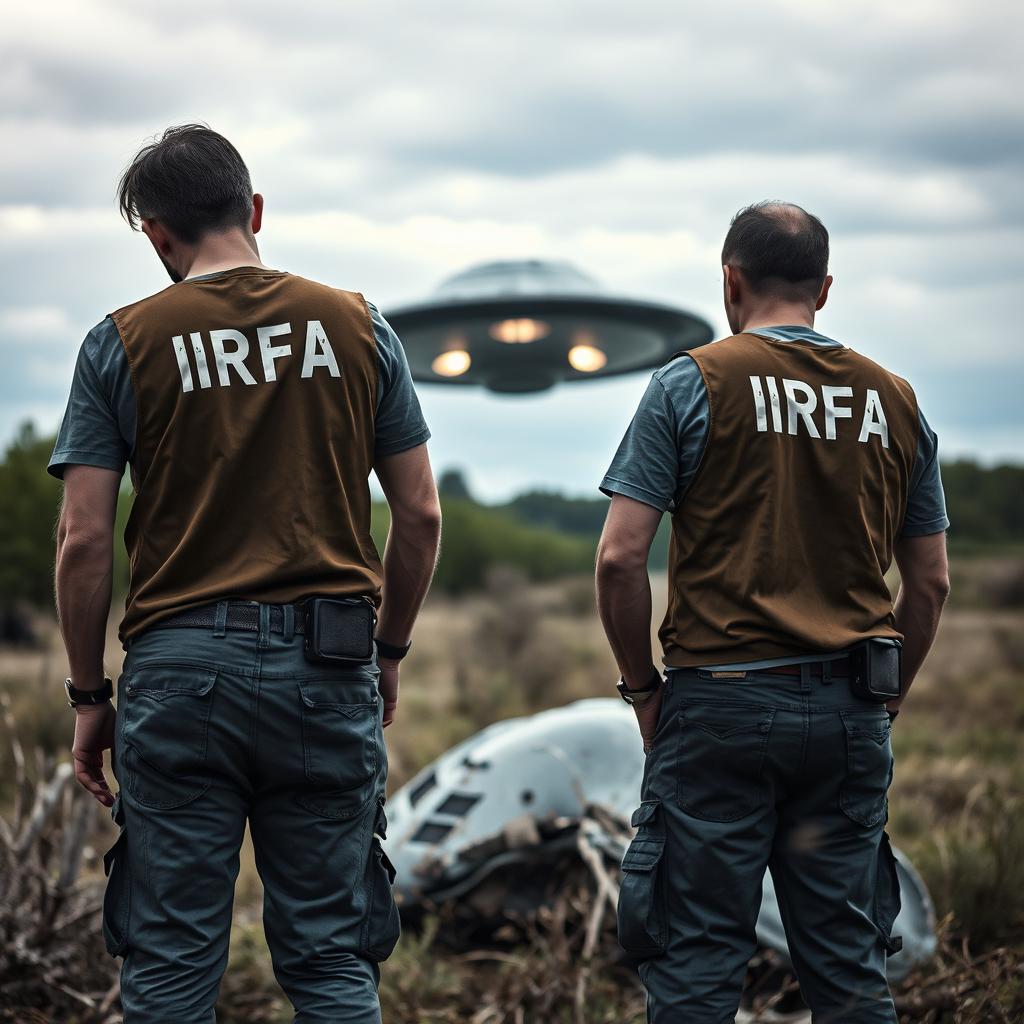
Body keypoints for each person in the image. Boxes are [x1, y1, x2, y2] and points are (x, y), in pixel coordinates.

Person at [50, 124, 442, 1024]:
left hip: (179, 680)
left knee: (173, 964)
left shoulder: (121, 342)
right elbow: (418, 514)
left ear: (156, 236)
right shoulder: (359, 325)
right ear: (254, 209)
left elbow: (81, 539)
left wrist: (86, 695)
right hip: (328, 670)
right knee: (332, 959)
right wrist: (388, 652)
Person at [595, 201, 950, 1022]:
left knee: (696, 964)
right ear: (824, 289)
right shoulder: (895, 401)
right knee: (849, 965)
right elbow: (928, 585)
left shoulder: (691, 384)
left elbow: (619, 558)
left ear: (730, 281)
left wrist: (644, 690)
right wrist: (884, 701)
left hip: (718, 711)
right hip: (850, 710)